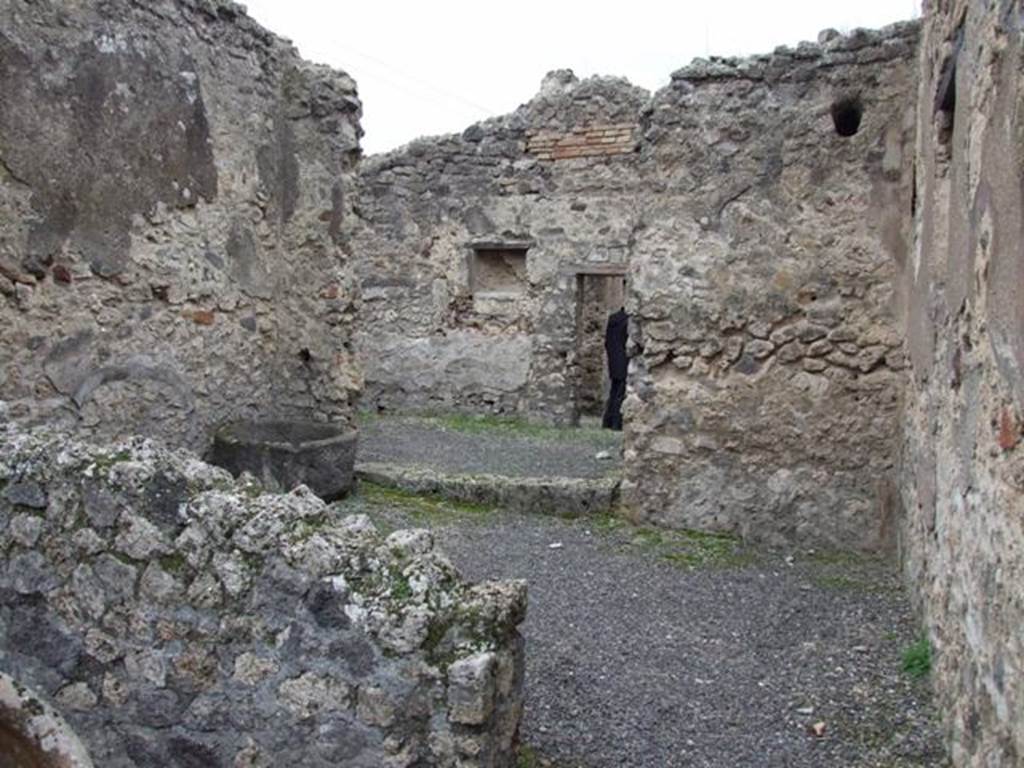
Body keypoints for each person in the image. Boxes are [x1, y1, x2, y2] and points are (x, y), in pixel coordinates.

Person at [602, 306, 628, 430]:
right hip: (624, 360)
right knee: (620, 393)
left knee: (614, 391)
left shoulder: (613, 319)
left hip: (614, 360)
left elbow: (607, 341)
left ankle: (608, 420)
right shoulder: (627, 320)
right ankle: (616, 422)